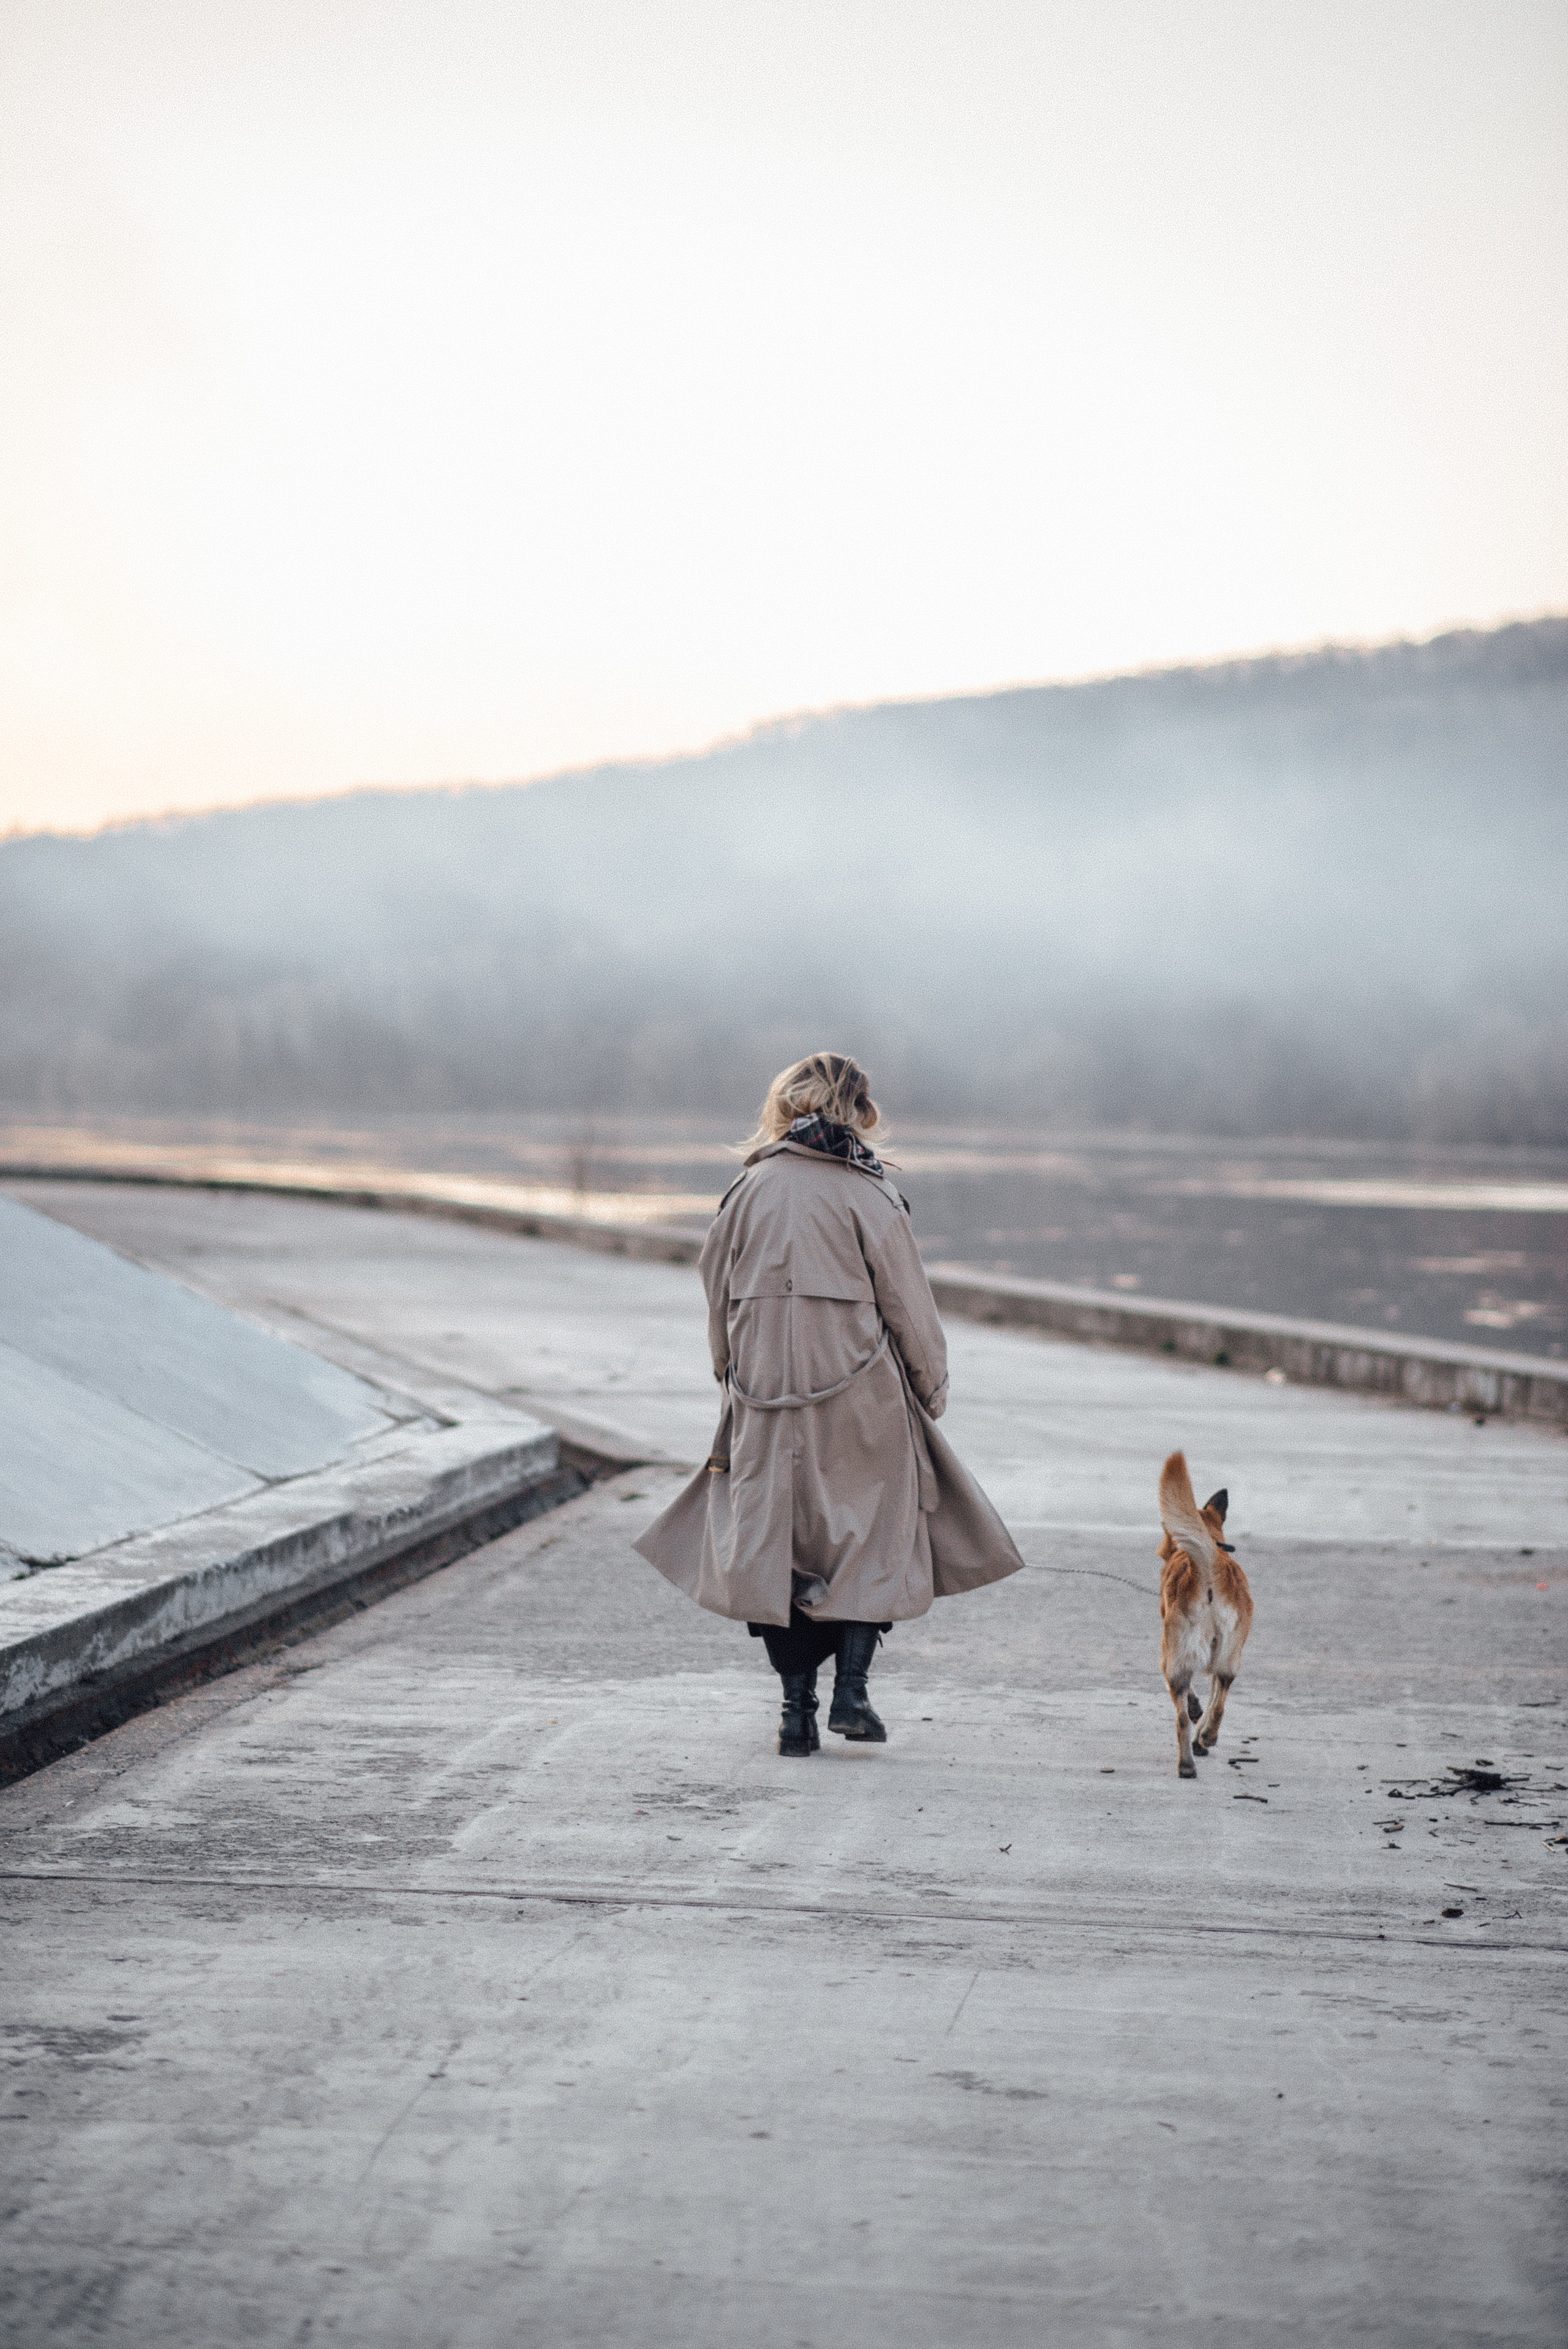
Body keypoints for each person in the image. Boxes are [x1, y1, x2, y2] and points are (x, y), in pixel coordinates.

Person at [634, 1051, 1023, 1755]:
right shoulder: (869, 1194)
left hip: (762, 1400)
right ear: (860, 1113)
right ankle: (852, 1689)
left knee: (771, 1547)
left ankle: (795, 1714)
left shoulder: (745, 1189)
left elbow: (713, 1286)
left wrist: (728, 1371)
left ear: (785, 1105)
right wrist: (930, 1389)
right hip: (860, 1398)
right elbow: (908, 1302)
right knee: (872, 1539)